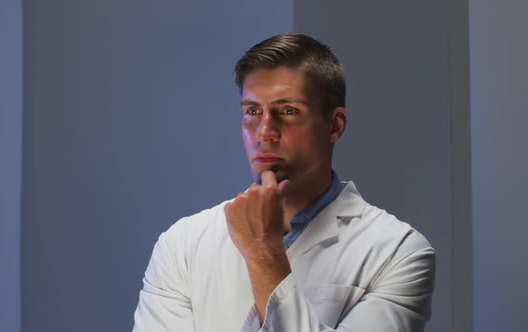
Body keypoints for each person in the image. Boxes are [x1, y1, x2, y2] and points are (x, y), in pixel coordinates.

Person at [132, 33, 435, 332]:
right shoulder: (182, 245)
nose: (264, 132)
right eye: (252, 111)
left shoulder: (399, 252)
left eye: (287, 111)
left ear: (334, 125)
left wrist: (263, 252)